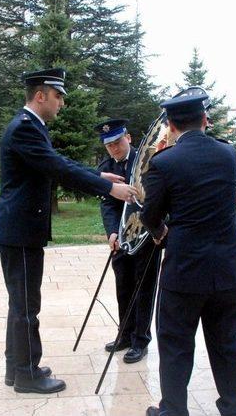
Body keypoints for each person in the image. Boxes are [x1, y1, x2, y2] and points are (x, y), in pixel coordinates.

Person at [0, 67, 137, 394]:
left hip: (18, 229)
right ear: (40, 95)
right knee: (27, 305)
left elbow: (55, 161)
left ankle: (17, 368)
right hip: (20, 231)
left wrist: (101, 178)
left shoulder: (30, 127)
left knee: (21, 304)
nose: (62, 104)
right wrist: (107, 188)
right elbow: (57, 167)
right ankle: (26, 374)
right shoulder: (26, 128)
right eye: (58, 96)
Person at [140, 93, 236, 416]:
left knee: (175, 347)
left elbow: (149, 215)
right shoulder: (229, 154)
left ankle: (173, 411)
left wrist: (161, 233)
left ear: (171, 126)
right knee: (227, 344)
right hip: (228, 271)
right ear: (205, 120)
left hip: (185, 273)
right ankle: (233, 409)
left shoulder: (164, 162)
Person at [95, 118, 161, 363]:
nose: (114, 148)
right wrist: (112, 232)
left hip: (146, 237)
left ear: (129, 138)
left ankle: (140, 340)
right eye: (108, 145)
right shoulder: (107, 166)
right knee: (123, 286)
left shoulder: (145, 163)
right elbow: (107, 205)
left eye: (117, 142)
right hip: (121, 239)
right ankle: (124, 334)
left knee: (143, 288)